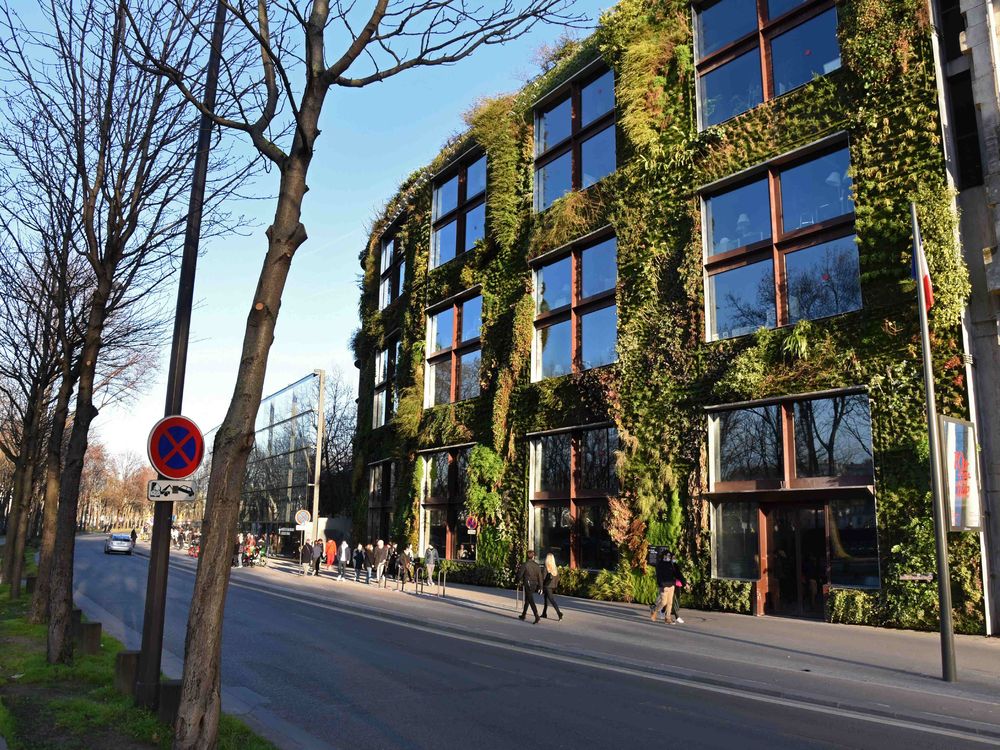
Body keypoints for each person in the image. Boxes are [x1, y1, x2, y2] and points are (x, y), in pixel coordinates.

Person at [516, 550, 543, 624]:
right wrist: (541, 587)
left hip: (528, 584)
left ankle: (536, 616)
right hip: (534, 584)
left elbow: (520, 575)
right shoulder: (537, 565)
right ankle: (523, 614)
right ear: (533, 556)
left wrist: (517, 581)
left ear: (526, 556)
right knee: (527, 599)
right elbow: (540, 577)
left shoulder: (525, 564)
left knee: (530, 600)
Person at [652, 549, 677, 624]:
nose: (669, 557)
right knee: (663, 602)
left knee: (670, 603)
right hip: (664, 586)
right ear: (663, 556)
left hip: (671, 585)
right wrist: (662, 585)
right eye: (667, 555)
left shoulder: (671, 564)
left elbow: (674, 574)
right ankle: (655, 610)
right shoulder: (660, 564)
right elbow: (659, 576)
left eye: (670, 556)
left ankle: (668, 618)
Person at [540, 553, 563, 621]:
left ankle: (559, 613)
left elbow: (543, 577)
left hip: (547, 586)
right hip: (552, 586)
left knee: (551, 599)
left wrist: (540, 585)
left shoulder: (546, 567)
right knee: (546, 599)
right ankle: (544, 613)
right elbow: (557, 578)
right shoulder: (554, 568)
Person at [669, 551, 685, 624]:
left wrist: (685, 583)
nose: (674, 559)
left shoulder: (675, 565)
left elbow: (680, 575)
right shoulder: (667, 566)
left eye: (675, 558)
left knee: (675, 600)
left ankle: (657, 610)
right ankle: (677, 616)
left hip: (677, 584)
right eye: (673, 558)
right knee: (673, 600)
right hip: (670, 585)